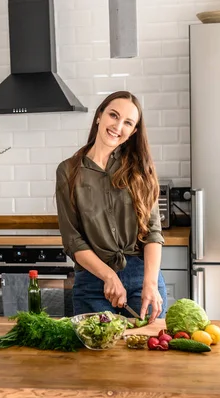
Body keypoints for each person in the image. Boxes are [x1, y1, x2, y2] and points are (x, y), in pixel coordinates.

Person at [55, 90, 167, 323]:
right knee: (96, 357)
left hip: (142, 279)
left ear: (133, 132)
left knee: (148, 357)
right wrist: (109, 276)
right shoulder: (68, 171)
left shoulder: (141, 170)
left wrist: (151, 283)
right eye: (113, 115)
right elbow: (73, 240)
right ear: (99, 116)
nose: (118, 126)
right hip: (93, 282)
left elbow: (153, 232)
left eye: (128, 122)